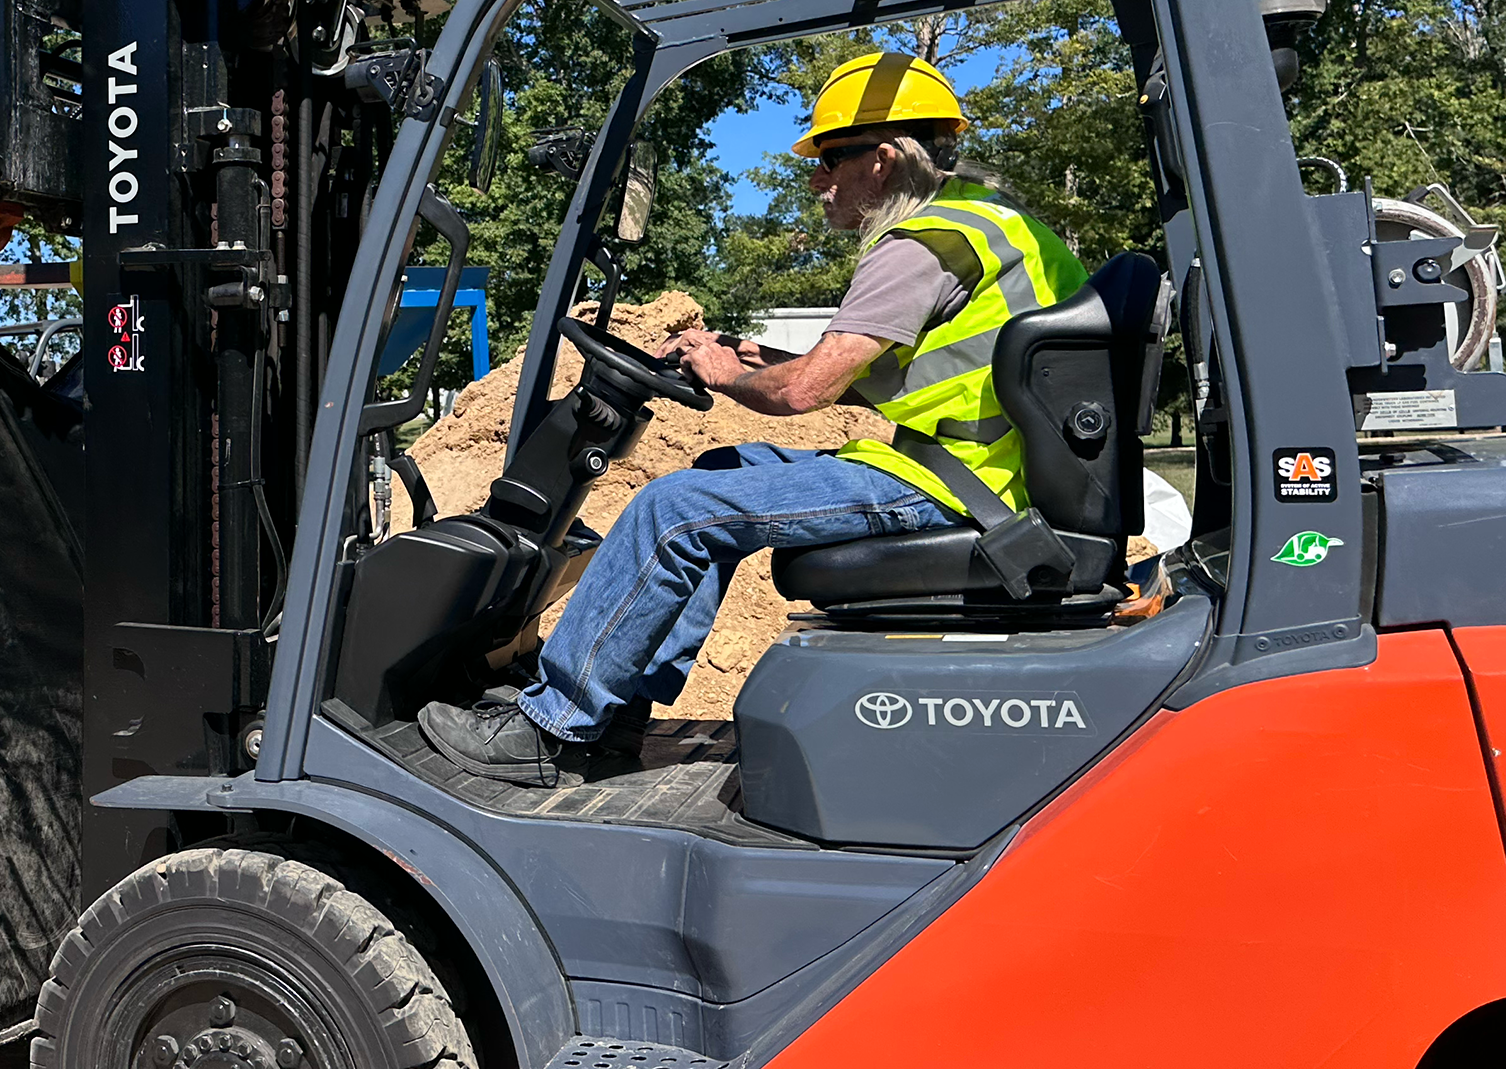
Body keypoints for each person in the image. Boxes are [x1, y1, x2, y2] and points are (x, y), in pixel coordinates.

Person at [417, 51, 1090, 786]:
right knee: (721, 470)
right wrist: (748, 354)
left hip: (953, 484)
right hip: (973, 471)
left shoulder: (918, 245)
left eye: (830, 160)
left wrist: (726, 372)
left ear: (884, 160)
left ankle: (552, 725)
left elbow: (805, 393)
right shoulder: (983, 225)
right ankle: (618, 716)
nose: (818, 181)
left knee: (673, 511)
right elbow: (883, 377)